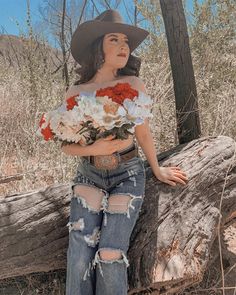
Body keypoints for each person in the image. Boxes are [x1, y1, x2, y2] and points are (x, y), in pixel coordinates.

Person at [63, 9, 188, 295]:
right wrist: (96, 147)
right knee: (79, 249)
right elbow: (66, 144)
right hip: (89, 176)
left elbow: (142, 132)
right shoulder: (75, 92)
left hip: (127, 175)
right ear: (99, 46)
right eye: (114, 39)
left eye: (126, 42)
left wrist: (157, 169)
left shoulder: (133, 85)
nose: (123, 46)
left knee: (110, 252)